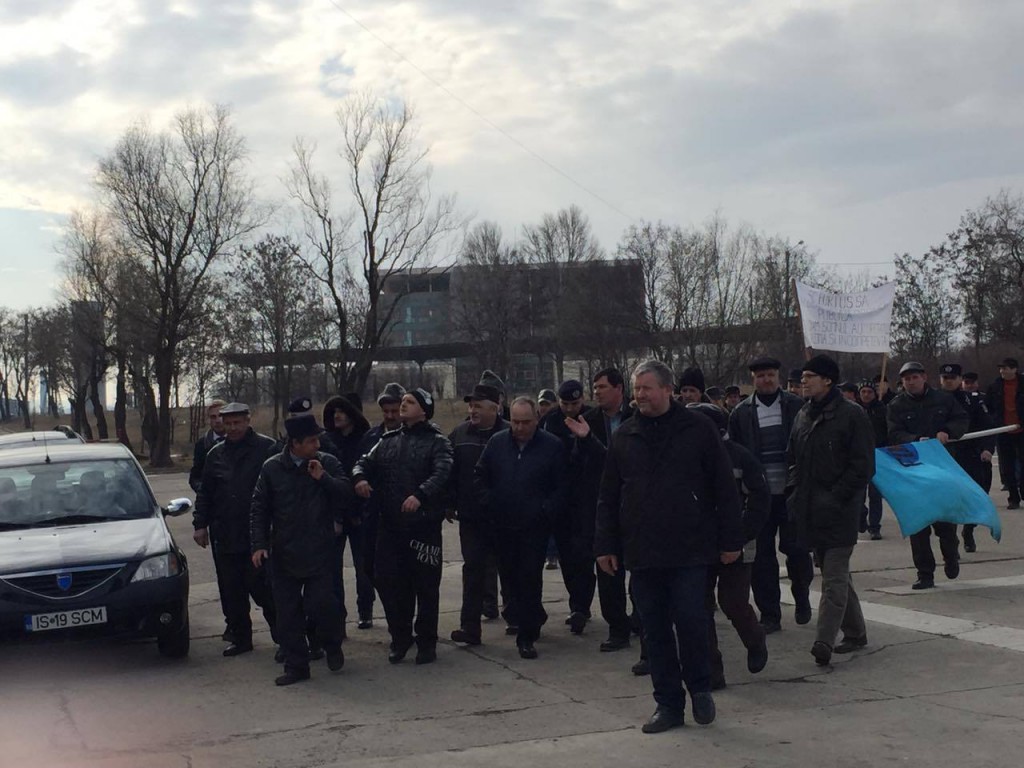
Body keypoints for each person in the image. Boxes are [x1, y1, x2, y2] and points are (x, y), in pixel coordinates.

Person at [596, 360, 743, 734]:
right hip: (642, 552)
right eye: (636, 389)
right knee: (655, 630)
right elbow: (609, 496)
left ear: (667, 389)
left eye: (646, 388)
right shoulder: (625, 436)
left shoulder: (698, 429)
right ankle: (668, 704)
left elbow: (724, 487)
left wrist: (731, 540)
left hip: (690, 549)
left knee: (692, 622)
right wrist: (606, 545)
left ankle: (700, 688)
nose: (640, 395)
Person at [353, 389, 453, 665]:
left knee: (426, 587)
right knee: (389, 582)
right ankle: (400, 636)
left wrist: (420, 495)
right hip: (390, 526)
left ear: (424, 409)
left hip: (423, 528)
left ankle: (427, 641)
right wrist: (360, 478)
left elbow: (443, 472)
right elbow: (363, 462)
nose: (403, 406)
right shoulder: (388, 441)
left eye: (410, 402)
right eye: (403, 402)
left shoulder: (437, 442)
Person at [251, 414, 352, 686]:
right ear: (294, 443)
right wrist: (259, 545)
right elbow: (259, 508)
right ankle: (296, 666)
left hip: (320, 550)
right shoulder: (272, 468)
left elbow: (346, 493)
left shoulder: (327, 462)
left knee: (323, 606)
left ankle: (331, 644)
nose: (317, 445)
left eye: (317, 440)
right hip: (284, 553)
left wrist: (323, 478)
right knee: (288, 615)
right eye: (311, 441)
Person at [788, 355, 874, 666]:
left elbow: (863, 466)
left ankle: (824, 639)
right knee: (832, 571)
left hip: (841, 510)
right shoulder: (803, 415)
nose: (803, 381)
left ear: (827, 380)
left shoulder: (852, 415)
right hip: (810, 509)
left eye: (810, 376)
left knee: (833, 577)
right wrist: (794, 494)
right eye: (803, 376)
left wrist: (836, 497)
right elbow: (793, 458)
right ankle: (856, 632)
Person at [476, 397, 567, 659]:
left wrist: (545, 511)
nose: (519, 428)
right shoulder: (497, 443)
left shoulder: (551, 446)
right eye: (515, 422)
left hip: (534, 527)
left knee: (529, 577)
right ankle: (527, 614)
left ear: (536, 419)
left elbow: (562, 486)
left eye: (525, 422)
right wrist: (490, 502)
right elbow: (480, 475)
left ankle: (527, 636)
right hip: (503, 525)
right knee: (510, 578)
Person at [728, 355, 813, 633]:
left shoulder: (797, 406)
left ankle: (802, 595)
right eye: (761, 376)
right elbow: (734, 456)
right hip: (759, 497)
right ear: (753, 379)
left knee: (797, 550)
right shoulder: (741, 413)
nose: (766, 380)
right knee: (762, 558)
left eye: (771, 375)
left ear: (779, 377)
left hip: (791, 493)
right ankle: (770, 614)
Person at [688, 403, 770, 691]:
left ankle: (755, 639)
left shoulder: (740, 458)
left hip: (737, 544)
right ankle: (712, 671)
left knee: (733, 602)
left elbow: (759, 500)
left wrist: (738, 538)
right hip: (698, 546)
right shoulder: (686, 457)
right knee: (699, 608)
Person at [193, 402, 279, 657]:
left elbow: (280, 488)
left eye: (237, 423)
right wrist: (200, 524)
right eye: (228, 423)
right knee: (232, 591)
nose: (232, 428)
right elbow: (205, 493)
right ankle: (241, 638)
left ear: (247, 421)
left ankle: (285, 640)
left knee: (266, 591)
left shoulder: (267, 448)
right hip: (225, 533)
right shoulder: (215, 454)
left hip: (258, 534)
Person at [887, 361, 969, 589]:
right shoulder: (896, 405)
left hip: (942, 469)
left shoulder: (944, 399)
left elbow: (961, 419)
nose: (911, 382)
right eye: (906, 379)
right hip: (913, 471)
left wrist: (947, 431)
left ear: (924, 377)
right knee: (918, 524)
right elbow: (894, 433)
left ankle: (951, 555)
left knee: (945, 522)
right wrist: (914, 440)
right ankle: (925, 573)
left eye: (915, 377)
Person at [448, 383, 508, 646]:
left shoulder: (509, 433)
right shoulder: (459, 434)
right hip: (471, 516)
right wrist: (449, 502)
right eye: (471, 406)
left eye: (478, 406)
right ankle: (469, 627)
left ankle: (517, 618)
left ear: (495, 408)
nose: (472, 410)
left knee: (510, 568)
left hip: (505, 516)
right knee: (473, 570)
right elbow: (449, 471)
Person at [541, 380, 599, 636]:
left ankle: (581, 607)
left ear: (582, 400)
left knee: (584, 555)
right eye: (565, 403)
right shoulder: (551, 421)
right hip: (560, 497)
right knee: (566, 555)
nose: (570, 408)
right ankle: (576, 601)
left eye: (574, 403)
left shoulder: (592, 418)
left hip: (586, 497)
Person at [583, 367, 635, 652]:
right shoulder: (587, 421)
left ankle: (641, 621)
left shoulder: (636, 417)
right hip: (602, 504)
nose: (597, 392)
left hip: (635, 505)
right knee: (607, 569)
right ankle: (617, 628)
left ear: (619, 389)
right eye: (595, 387)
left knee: (639, 570)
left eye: (602, 387)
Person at [322, 395, 374, 629]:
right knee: (332, 570)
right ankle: (337, 617)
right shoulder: (325, 442)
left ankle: (366, 609)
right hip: (334, 512)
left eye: (342, 411)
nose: (337, 416)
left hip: (360, 512)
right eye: (334, 412)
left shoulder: (367, 440)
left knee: (364, 567)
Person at [940, 364, 994, 553]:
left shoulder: (973, 401)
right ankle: (951, 540)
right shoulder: (933, 401)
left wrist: (987, 449)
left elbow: (987, 426)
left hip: (971, 454)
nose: (948, 381)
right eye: (945, 378)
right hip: (945, 457)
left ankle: (969, 529)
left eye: (953, 378)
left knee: (976, 496)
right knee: (950, 500)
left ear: (959, 379)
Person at [357, 382, 406, 588]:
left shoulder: (414, 438)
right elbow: (359, 467)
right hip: (374, 513)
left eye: (395, 411)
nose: (390, 416)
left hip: (403, 513)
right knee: (372, 568)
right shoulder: (371, 438)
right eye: (386, 411)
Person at [985, 358, 1024, 510]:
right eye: (1001, 368)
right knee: (1007, 466)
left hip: (1021, 430)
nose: (1002, 371)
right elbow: (988, 406)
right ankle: (1013, 497)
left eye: (1005, 368)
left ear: (1014, 369)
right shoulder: (995, 387)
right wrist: (995, 421)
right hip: (1003, 431)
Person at [858, 381, 888, 540]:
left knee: (875, 494)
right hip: (859, 456)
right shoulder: (854, 410)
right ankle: (861, 517)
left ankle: (875, 526)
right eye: (863, 391)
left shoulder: (882, 410)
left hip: (878, 455)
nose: (866, 395)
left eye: (869, 392)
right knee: (858, 492)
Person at [189, 399, 226, 493]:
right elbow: (195, 476)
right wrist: (203, 491)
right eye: (213, 417)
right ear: (208, 419)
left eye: (221, 416)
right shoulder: (202, 445)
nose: (217, 420)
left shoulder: (239, 441)